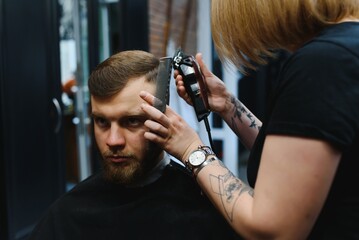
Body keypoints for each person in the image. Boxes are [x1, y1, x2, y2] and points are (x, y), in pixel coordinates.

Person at [139, 1, 359, 239]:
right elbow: (296, 161)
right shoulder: (347, 47)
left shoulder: (322, 62)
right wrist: (227, 104)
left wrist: (192, 149)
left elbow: (272, 230)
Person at [29, 50, 242, 240]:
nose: (113, 141)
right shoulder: (66, 215)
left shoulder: (202, 206)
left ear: (161, 117)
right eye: (102, 121)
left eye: (132, 121)